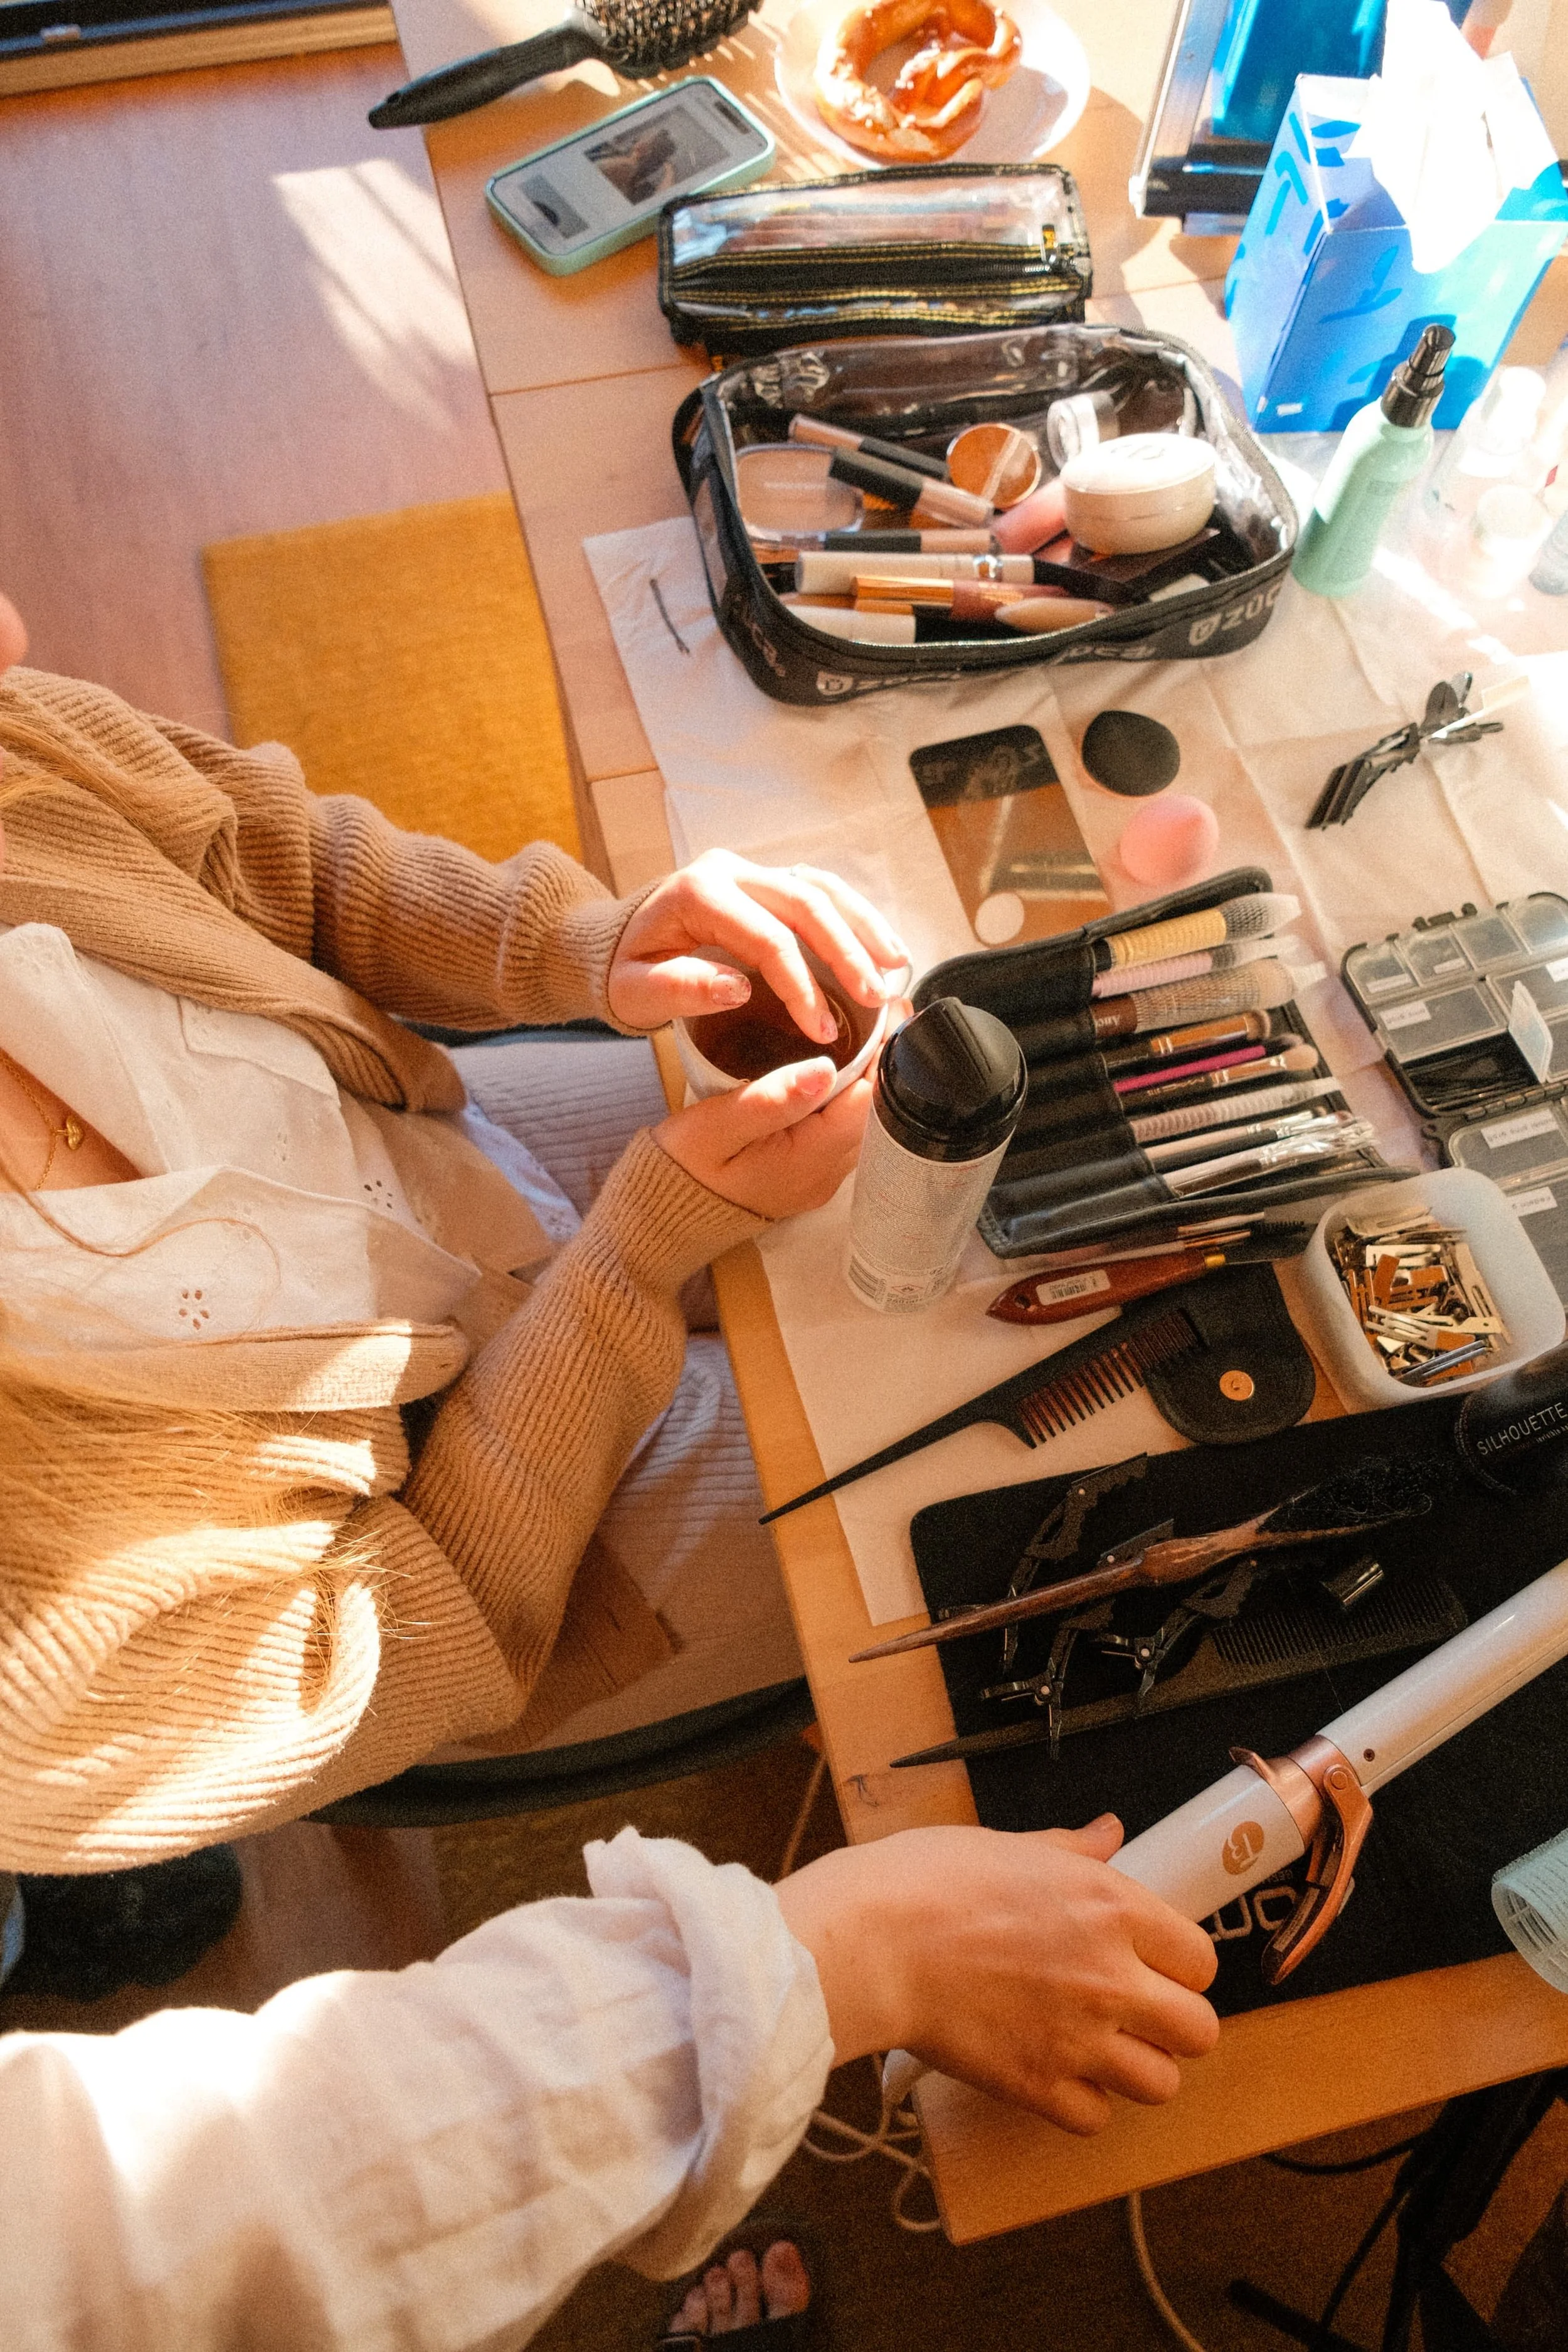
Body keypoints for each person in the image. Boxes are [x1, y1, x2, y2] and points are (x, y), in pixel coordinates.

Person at [0, 595, 1221, 2344]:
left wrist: (581, 939)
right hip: (508, 1555)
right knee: (1023, 1413)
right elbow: (417, 1630)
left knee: (935, 1221)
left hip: (455, 1170)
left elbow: (280, 858)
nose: (17, 630)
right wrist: (637, 1259)